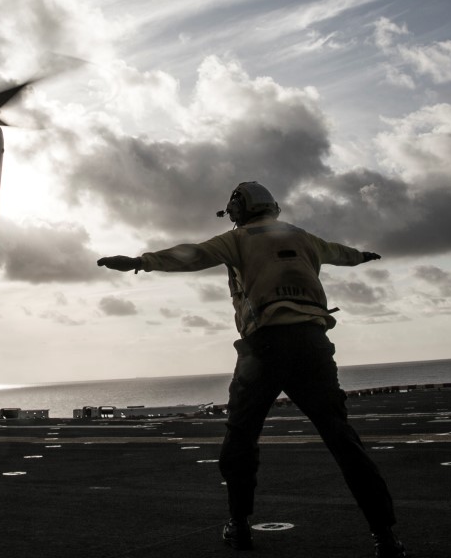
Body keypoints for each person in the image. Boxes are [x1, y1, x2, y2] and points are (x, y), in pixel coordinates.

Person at [97, 181, 406, 557]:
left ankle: (240, 526)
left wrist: (141, 261)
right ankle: (385, 537)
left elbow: (191, 255)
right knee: (343, 440)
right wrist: (363, 256)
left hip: (265, 348)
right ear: (272, 207)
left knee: (241, 439)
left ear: (238, 208)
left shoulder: (238, 239)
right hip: (313, 345)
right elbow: (342, 253)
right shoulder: (305, 237)